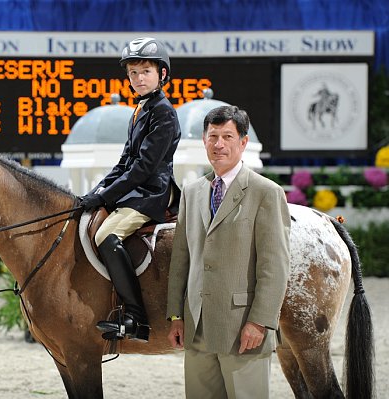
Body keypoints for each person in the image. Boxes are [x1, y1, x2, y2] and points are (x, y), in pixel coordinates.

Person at [166, 105, 290, 398]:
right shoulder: (192, 192)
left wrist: (259, 322)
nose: (218, 144)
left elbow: (274, 267)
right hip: (196, 327)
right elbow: (181, 259)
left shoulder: (266, 193)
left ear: (243, 142)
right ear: (204, 141)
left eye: (227, 136)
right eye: (212, 136)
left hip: (243, 329)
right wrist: (175, 315)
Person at [80, 37, 181, 342]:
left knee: (107, 236)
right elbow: (125, 161)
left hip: (152, 192)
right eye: (133, 73)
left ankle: (135, 316)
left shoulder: (163, 112)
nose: (138, 78)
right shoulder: (140, 110)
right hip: (135, 189)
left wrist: (106, 197)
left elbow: (143, 168)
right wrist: (97, 191)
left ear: (162, 74)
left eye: (145, 71)